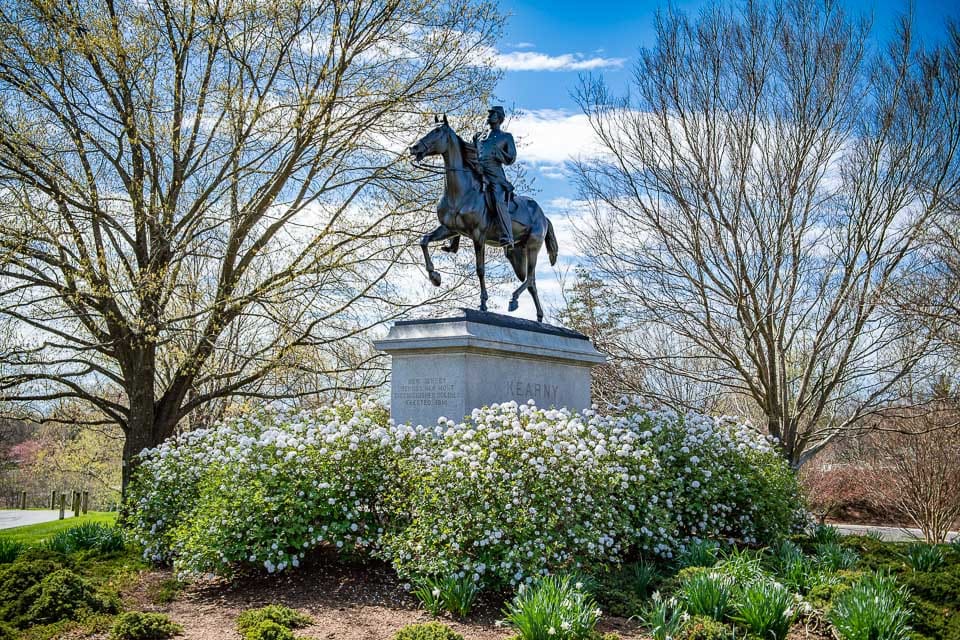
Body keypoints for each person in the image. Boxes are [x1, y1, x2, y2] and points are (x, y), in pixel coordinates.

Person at [473, 106, 517, 247]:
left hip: (494, 174)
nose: (489, 116)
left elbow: (511, 158)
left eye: (492, 114)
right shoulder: (478, 136)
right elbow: (471, 153)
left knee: (498, 200)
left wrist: (499, 152)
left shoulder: (506, 137)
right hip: (478, 172)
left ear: (499, 117)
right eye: (489, 113)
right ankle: (454, 239)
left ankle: (508, 235)